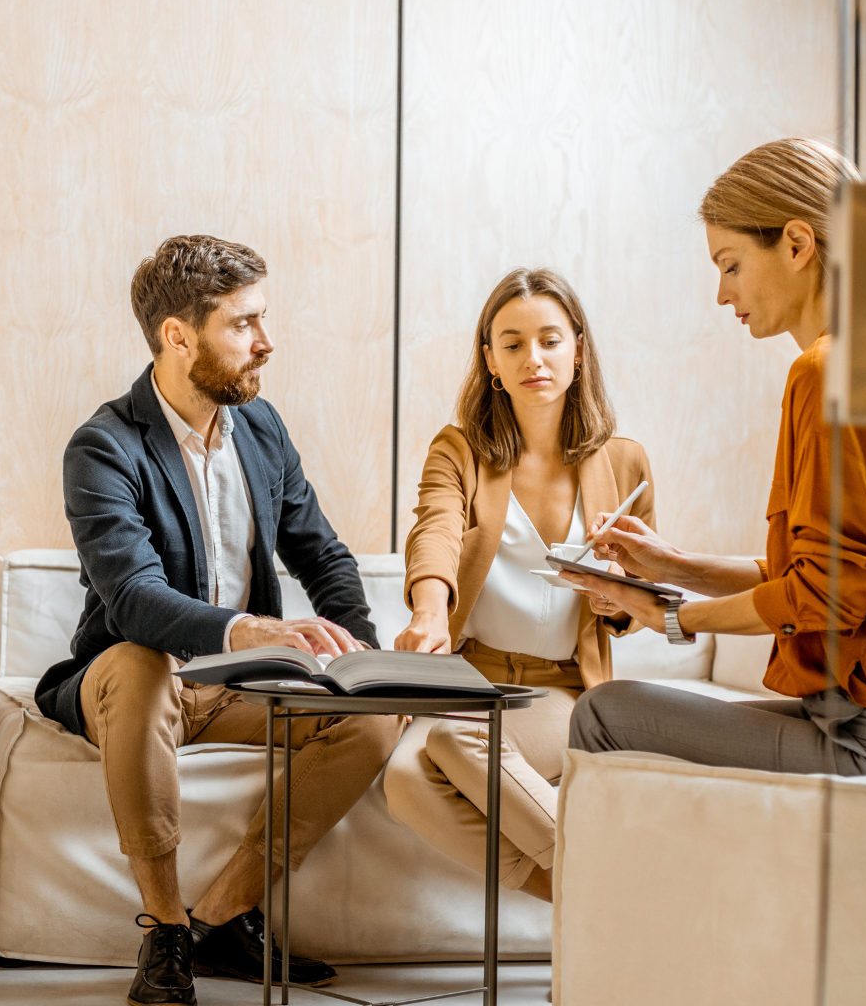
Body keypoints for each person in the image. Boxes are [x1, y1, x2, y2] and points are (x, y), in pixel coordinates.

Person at [34, 235, 401, 1006]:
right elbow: (134, 598)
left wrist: (361, 657)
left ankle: (225, 914)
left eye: (262, 318)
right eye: (243, 323)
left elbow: (324, 556)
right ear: (178, 336)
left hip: (240, 686)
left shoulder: (260, 428)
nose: (266, 341)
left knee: (373, 717)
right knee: (141, 663)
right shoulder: (104, 447)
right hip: (132, 678)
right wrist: (252, 630)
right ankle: (165, 931)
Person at [563, 138, 866, 777]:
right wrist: (673, 566)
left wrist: (674, 617)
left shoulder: (825, 371)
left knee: (603, 714)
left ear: (796, 245)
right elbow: (828, 576)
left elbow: (826, 596)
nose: (721, 294)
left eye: (731, 265)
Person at [382, 268, 653, 903]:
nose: (534, 358)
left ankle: (612, 903)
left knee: (456, 740)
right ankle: (599, 898)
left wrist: (616, 595)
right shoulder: (459, 449)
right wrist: (428, 612)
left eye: (550, 341)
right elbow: (435, 531)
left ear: (578, 350)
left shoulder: (625, 461)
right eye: (513, 344)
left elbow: (641, 593)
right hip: (467, 678)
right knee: (405, 780)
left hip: (560, 689)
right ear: (491, 361)